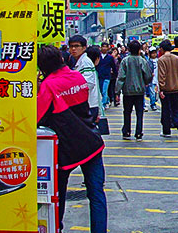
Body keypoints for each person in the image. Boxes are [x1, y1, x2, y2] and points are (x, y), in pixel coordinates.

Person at [37, 46, 107, 233]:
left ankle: (56, 228)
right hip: (91, 142)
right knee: (96, 193)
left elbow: (37, 116)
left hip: (66, 148)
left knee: (57, 195)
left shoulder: (48, 86)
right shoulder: (77, 77)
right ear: (61, 58)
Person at [115, 40, 153, 141]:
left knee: (127, 112)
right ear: (139, 49)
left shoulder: (125, 61)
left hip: (127, 91)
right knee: (139, 113)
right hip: (140, 91)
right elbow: (148, 75)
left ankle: (126, 132)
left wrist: (117, 91)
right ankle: (139, 133)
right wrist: (145, 82)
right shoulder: (142, 61)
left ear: (129, 49)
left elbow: (121, 77)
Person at [158, 40, 178, 138]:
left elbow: (161, 76)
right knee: (176, 109)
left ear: (162, 49)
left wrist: (161, 89)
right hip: (176, 88)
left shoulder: (161, 60)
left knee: (166, 110)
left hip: (166, 89)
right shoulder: (177, 58)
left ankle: (166, 131)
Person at [69, 35, 100, 123]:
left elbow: (89, 84)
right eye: (71, 46)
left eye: (77, 46)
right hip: (86, 104)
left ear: (84, 48)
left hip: (88, 105)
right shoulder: (79, 61)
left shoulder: (85, 62)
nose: (73, 49)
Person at [96, 42, 116, 110]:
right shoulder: (98, 57)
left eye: (105, 47)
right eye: (103, 46)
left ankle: (103, 104)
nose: (104, 48)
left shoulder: (110, 58)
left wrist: (115, 75)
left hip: (107, 76)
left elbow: (114, 67)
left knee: (104, 90)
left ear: (108, 48)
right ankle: (107, 101)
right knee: (101, 91)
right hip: (99, 76)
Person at [145, 47, 159, 112]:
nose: (154, 54)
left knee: (156, 93)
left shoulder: (158, 60)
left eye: (155, 53)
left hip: (158, 79)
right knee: (152, 93)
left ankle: (154, 102)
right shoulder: (148, 62)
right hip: (152, 80)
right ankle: (153, 104)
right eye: (152, 53)